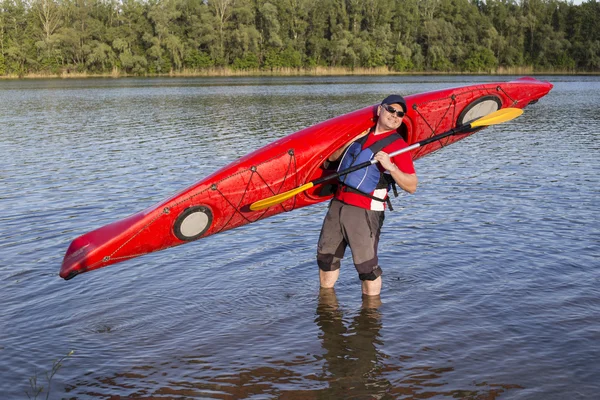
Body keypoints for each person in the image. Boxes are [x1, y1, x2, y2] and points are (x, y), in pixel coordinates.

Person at [316, 95, 418, 297]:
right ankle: (327, 305)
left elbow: (412, 186)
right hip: (338, 204)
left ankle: (370, 317)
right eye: (391, 110)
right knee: (326, 258)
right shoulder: (361, 135)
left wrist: (391, 167)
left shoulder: (398, 146)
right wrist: (350, 142)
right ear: (380, 110)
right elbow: (332, 158)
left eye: (400, 114)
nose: (395, 116)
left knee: (366, 269)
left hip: (365, 210)